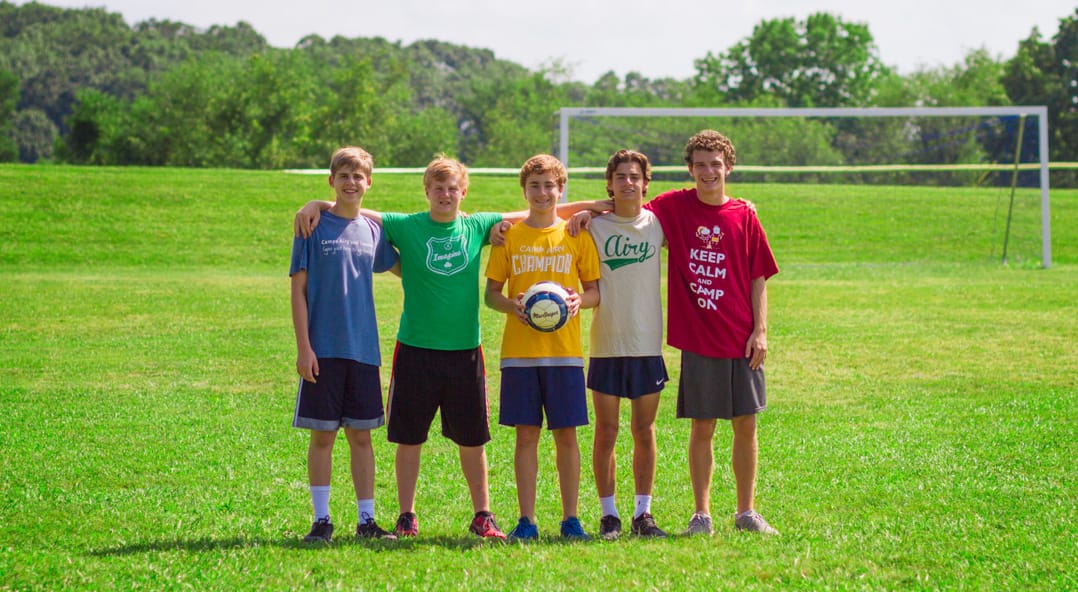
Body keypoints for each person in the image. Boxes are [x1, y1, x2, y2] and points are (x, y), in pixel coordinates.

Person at [294, 156, 608, 540]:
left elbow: (535, 208)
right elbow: (357, 208)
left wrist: (592, 207)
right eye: (437, 189)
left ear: (464, 193)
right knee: (409, 438)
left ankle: (483, 515)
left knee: (472, 439)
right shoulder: (405, 225)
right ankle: (406, 515)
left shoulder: (476, 226)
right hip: (414, 348)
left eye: (452, 189)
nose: (445, 195)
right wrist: (318, 205)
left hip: (465, 350)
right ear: (426, 191)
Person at [644, 130, 780, 535]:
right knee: (702, 427)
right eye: (700, 164)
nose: (708, 171)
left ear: (729, 167)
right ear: (690, 169)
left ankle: (746, 512)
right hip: (701, 340)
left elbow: (759, 277)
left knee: (746, 425)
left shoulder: (744, 214)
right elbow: (627, 209)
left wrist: (761, 331)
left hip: (742, 340)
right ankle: (701, 514)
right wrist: (584, 213)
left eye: (715, 164)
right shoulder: (674, 206)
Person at [484, 154, 601, 541]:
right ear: (524, 190)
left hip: (565, 353)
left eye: (549, 185)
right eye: (534, 185)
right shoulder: (509, 236)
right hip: (519, 354)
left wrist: (575, 303)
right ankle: (527, 520)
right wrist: (512, 306)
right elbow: (491, 294)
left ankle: (571, 519)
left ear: (560, 189)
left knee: (567, 435)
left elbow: (595, 292)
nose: (542, 192)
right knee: (526, 435)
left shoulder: (575, 234)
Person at [290, 146, 400, 542]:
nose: (351, 183)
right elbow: (298, 290)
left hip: (363, 350)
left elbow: (405, 266)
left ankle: (366, 521)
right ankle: (321, 520)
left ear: (369, 183)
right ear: (331, 180)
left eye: (359, 177)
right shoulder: (311, 225)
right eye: (344, 176)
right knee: (323, 437)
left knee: (362, 436)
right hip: (322, 350)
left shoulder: (373, 231)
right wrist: (304, 347)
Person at [585, 149, 669, 540]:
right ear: (610, 182)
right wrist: (585, 211)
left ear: (645, 182)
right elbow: (552, 215)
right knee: (606, 431)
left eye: (635, 176)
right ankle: (609, 515)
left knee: (644, 429)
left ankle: (643, 514)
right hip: (606, 343)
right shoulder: (592, 227)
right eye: (621, 176)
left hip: (647, 343)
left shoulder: (658, 223)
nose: (628, 182)